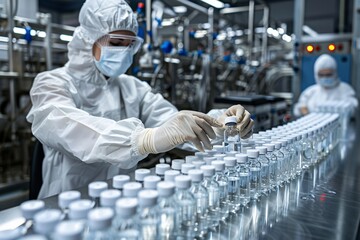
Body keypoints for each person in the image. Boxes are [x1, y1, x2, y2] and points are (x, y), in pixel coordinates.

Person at [26, 0, 254, 199]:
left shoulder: (132, 87)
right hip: (66, 204)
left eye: (129, 45)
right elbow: (67, 126)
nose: (124, 52)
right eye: (116, 44)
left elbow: (175, 124)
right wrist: (143, 139)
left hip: (122, 201)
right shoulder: (51, 83)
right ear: (88, 40)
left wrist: (222, 124)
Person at [294, 54, 358, 117]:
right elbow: (298, 109)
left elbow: (353, 109)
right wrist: (303, 110)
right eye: (321, 75)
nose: (325, 77)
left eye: (328, 74)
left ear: (335, 73)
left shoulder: (345, 89)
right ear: (316, 75)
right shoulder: (311, 91)